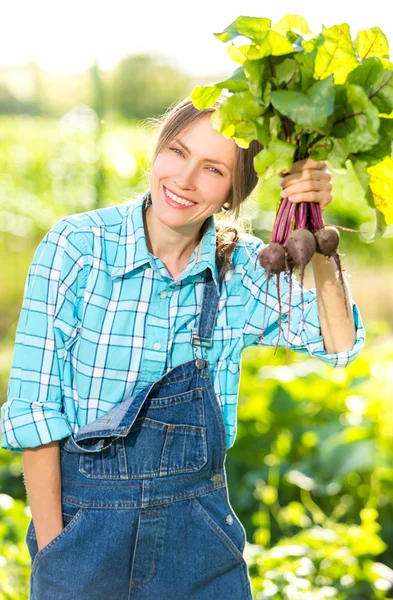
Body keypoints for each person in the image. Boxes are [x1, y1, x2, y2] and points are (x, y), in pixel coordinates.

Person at [0, 91, 365, 600]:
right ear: (156, 150)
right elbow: (35, 412)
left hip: (198, 541)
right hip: (83, 539)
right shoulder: (77, 248)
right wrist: (58, 551)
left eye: (213, 170)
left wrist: (314, 225)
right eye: (177, 151)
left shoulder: (243, 270)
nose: (185, 180)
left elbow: (339, 343)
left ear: (233, 193)